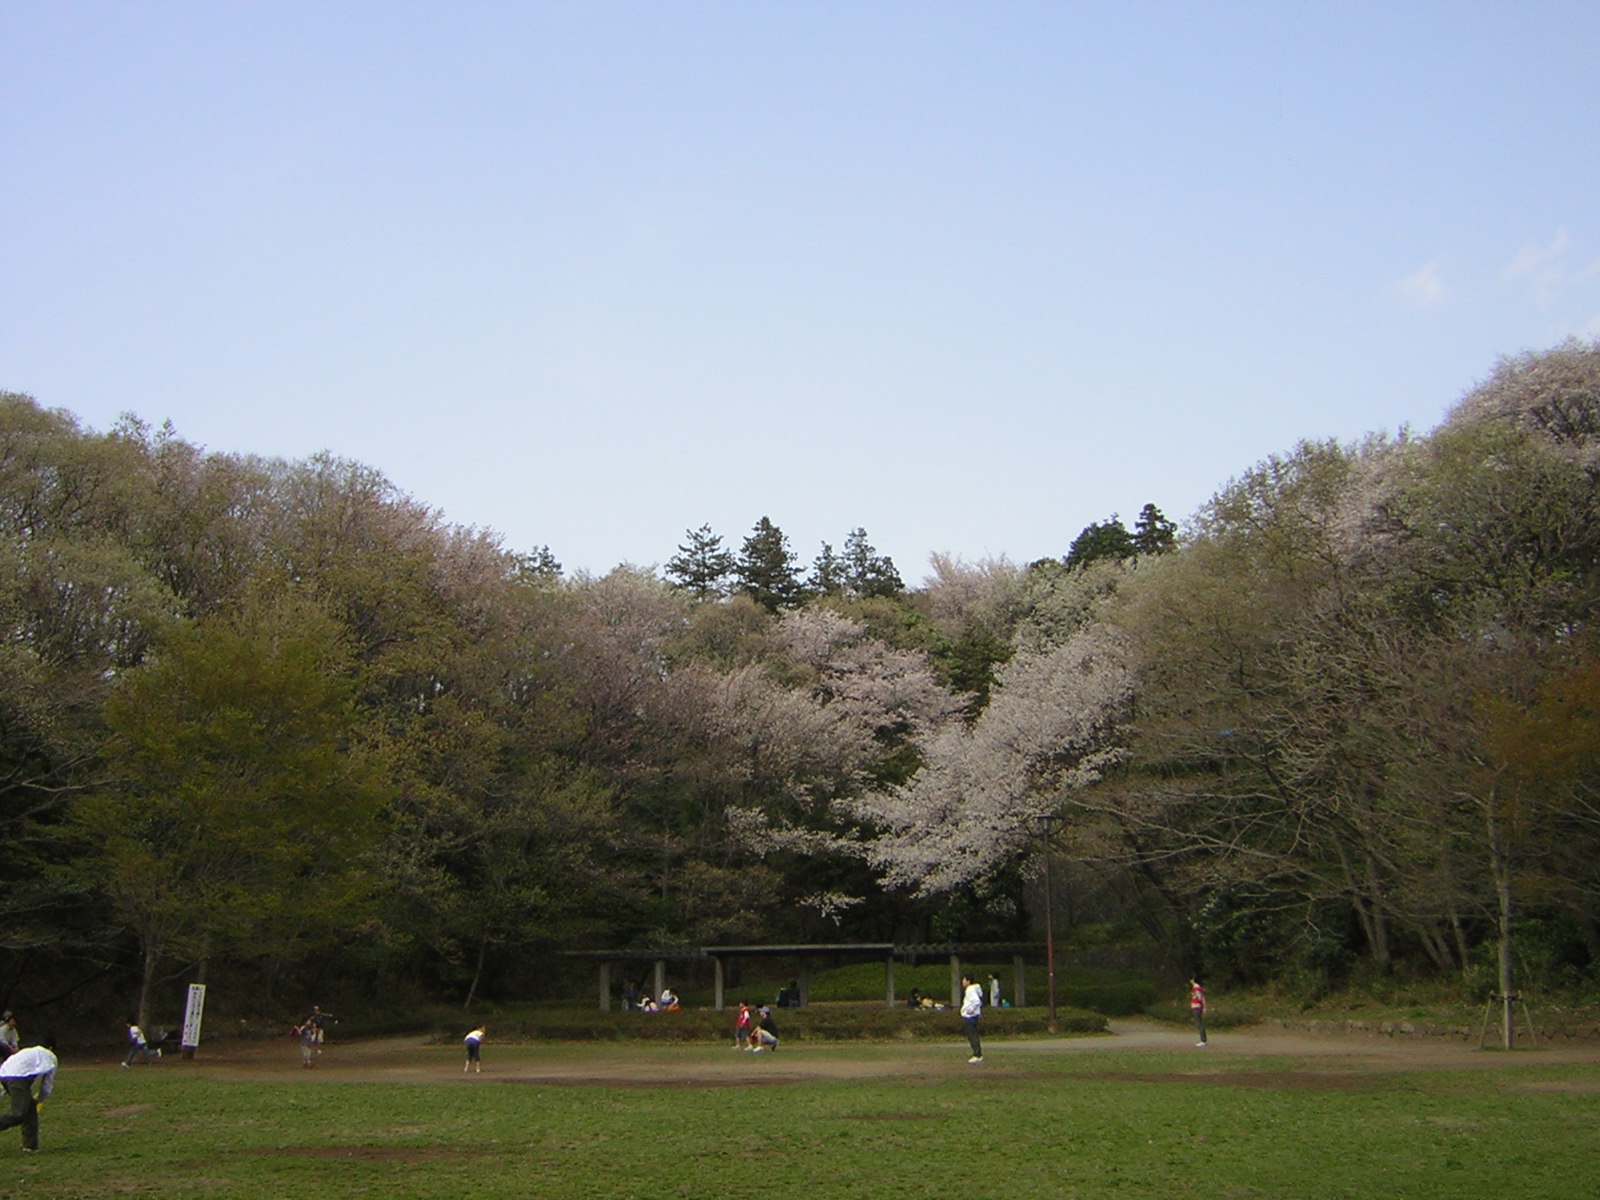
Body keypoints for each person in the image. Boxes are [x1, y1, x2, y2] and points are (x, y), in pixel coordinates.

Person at [0, 1037, 56, 1153]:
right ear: (51, 1048)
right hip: (17, 1079)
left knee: (30, 1110)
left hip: (4, 1074)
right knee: (18, 1114)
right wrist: (40, 1098)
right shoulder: (50, 1056)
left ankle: (30, 1146)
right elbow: (47, 1084)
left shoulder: (28, 1052)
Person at [960, 974, 984, 1063]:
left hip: (970, 1016)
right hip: (974, 1015)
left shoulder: (970, 990)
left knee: (972, 1035)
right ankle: (977, 1053)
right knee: (973, 1034)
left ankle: (977, 1054)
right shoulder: (974, 989)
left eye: (964, 980)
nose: (962, 982)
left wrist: (971, 1009)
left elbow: (976, 1001)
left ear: (968, 981)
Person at [1189, 978, 1207, 1047]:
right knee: (1199, 1023)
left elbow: (1200, 997)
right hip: (1196, 1006)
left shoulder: (1196, 987)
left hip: (1197, 1007)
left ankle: (1203, 1040)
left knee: (1199, 1023)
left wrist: (1203, 1006)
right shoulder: (1196, 987)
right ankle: (1202, 1039)